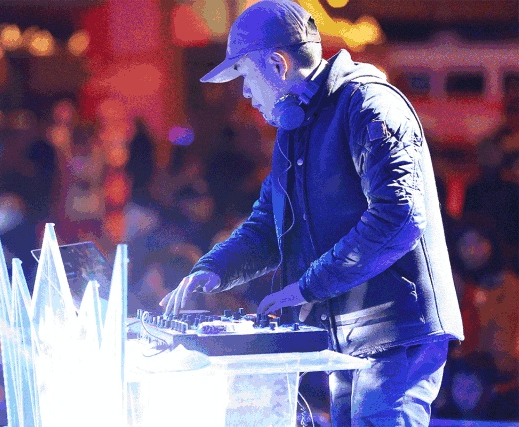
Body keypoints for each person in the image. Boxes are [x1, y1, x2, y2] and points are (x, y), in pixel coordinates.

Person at [160, 1, 464, 425]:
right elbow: (268, 226)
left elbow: (399, 217)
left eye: (245, 76)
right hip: (349, 336)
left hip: (397, 332)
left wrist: (307, 287)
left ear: (277, 64)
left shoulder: (369, 104)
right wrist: (212, 270)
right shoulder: (295, 126)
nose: (244, 92)